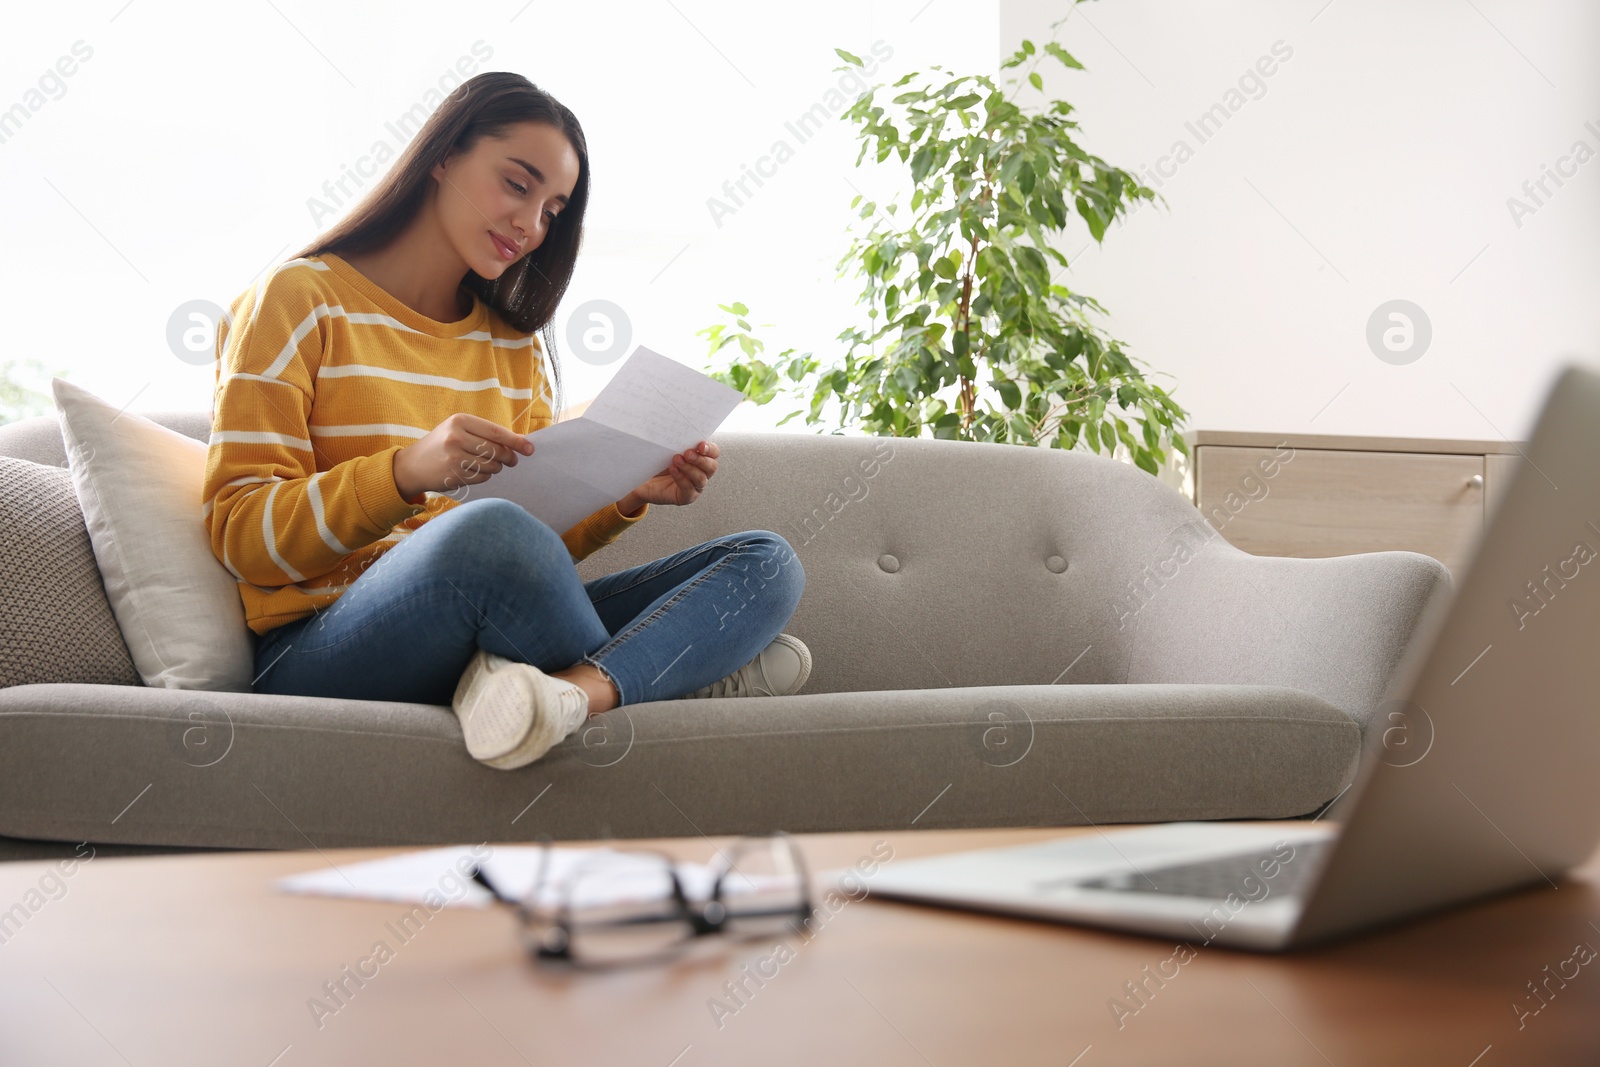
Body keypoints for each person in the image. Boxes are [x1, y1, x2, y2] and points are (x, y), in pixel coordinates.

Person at [202, 72, 810, 770]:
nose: (532, 226)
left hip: (482, 620)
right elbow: (242, 537)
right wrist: (403, 474)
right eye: (517, 185)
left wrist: (626, 494)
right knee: (484, 532)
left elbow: (530, 550)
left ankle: (570, 694)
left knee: (766, 562)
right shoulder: (295, 299)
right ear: (442, 155)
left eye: (553, 210)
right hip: (318, 648)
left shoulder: (511, 346)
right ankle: (667, 675)